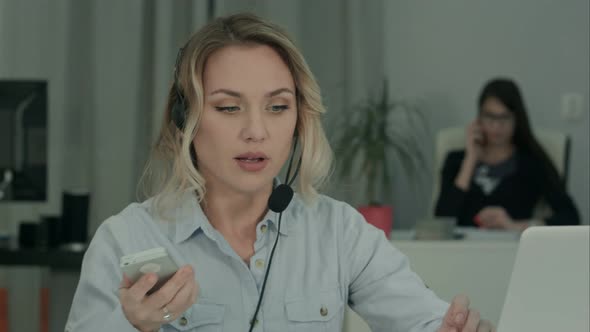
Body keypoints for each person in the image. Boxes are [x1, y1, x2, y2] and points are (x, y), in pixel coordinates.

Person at [66, 13, 494, 332]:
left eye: (277, 107)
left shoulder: (339, 232)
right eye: (229, 107)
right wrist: (134, 327)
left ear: (299, 119)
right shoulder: (127, 240)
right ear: (185, 120)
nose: (257, 132)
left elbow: (424, 321)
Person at [435, 78, 580, 230]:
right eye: (489, 116)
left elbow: (570, 216)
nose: (497, 126)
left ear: (516, 119)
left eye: (504, 118)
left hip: (512, 246)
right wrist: (470, 159)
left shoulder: (532, 162)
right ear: (479, 118)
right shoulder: (456, 160)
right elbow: (441, 219)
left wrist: (515, 225)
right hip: (462, 248)